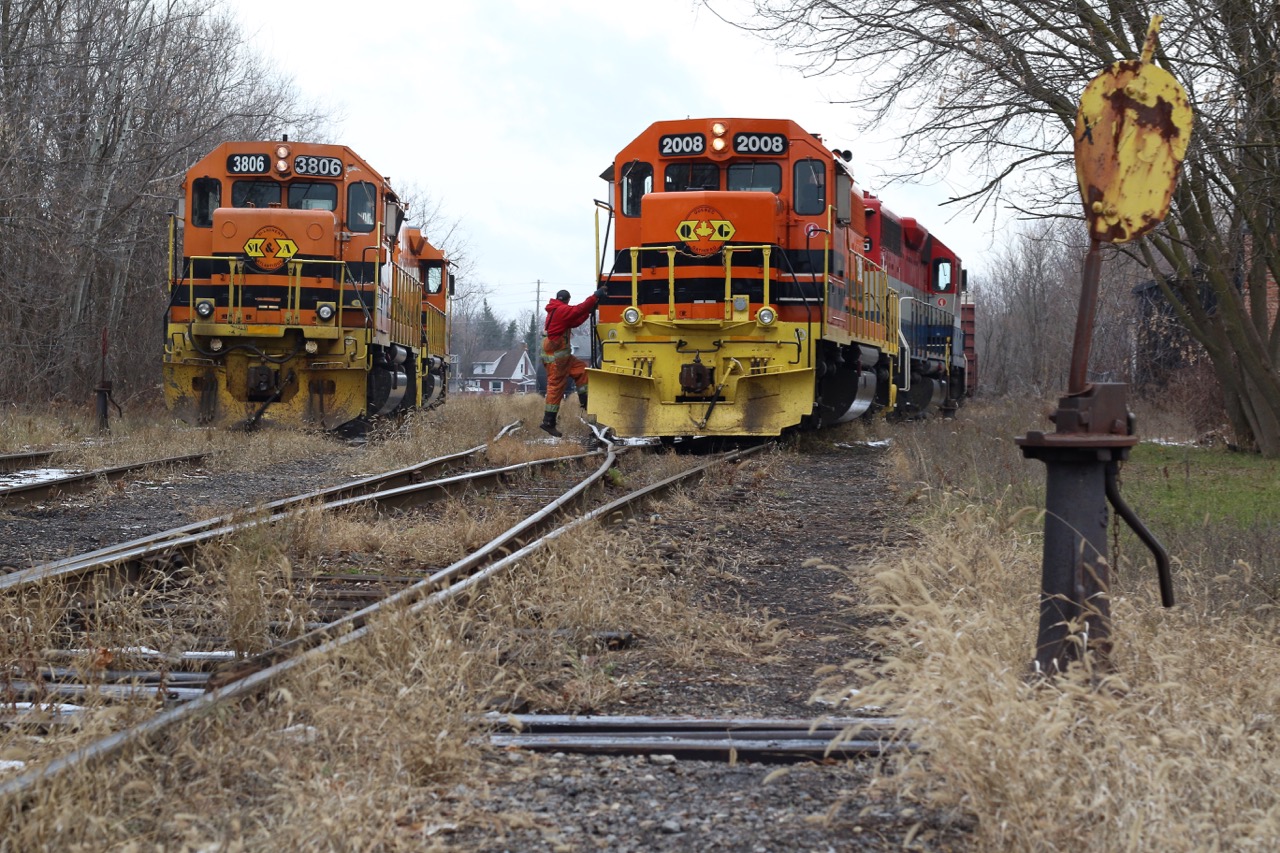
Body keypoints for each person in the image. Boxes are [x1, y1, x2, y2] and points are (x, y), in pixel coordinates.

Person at [540, 286, 606, 437]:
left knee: (582, 370)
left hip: (563, 358)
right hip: (557, 359)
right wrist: (595, 296)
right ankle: (548, 422)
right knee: (556, 386)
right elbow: (577, 310)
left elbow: (574, 321)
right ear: (567, 300)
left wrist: (588, 313)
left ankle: (586, 402)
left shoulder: (557, 310)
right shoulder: (561, 310)